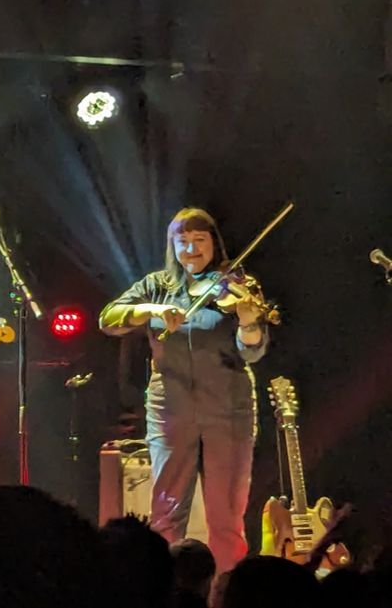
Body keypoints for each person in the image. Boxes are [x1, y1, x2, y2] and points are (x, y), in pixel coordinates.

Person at [99, 207, 269, 573]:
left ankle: (223, 590)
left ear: (214, 244)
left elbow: (252, 350)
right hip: (170, 408)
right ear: (172, 245)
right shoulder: (157, 285)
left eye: (200, 241)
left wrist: (249, 320)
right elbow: (108, 319)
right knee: (166, 512)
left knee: (227, 518)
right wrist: (150, 309)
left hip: (228, 408)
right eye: (183, 242)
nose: (191, 250)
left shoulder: (235, 285)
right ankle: (167, 593)